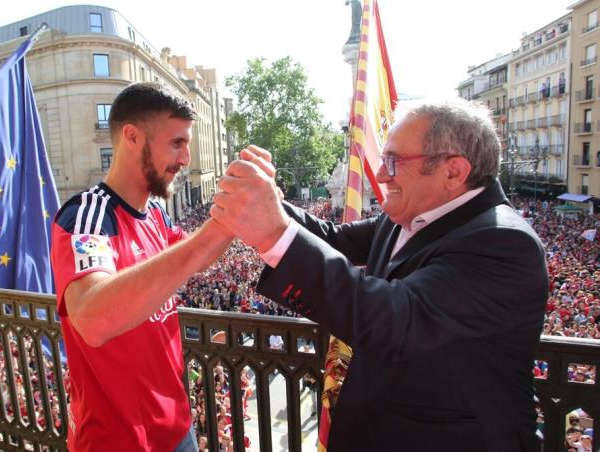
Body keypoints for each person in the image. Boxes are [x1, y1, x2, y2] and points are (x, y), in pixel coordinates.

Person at [211, 99, 549, 451]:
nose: (382, 175)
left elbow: (394, 318)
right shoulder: (408, 215)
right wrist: (266, 201)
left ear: (453, 171)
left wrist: (273, 232)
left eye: (394, 161)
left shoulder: (503, 242)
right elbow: (332, 239)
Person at [50, 82, 233, 451]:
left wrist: (237, 212)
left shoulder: (157, 215)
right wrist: (217, 229)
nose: (185, 159)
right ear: (132, 136)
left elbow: (200, 256)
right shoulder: (88, 216)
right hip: (115, 440)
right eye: (177, 143)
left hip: (176, 428)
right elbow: (93, 318)